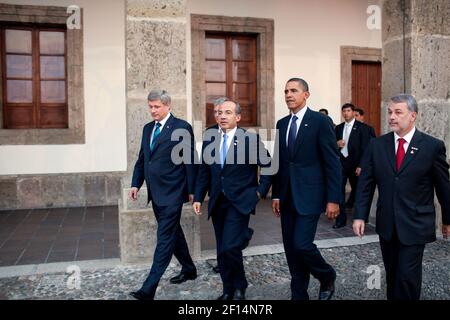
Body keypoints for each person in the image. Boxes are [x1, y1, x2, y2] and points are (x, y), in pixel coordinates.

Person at [353, 94, 450, 300]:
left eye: (398, 112)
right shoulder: (377, 145)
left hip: (416, 223)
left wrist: (448, 219)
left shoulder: (432, 146)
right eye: (389, 112)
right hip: (387, 224)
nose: (392, 117)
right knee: (393, 274)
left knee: (407, 276)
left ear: (413, 115)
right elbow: (365, 184)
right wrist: (360, 216)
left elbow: (444, 187)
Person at [193, 99, 272, 300]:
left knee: (230, 247)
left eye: (227, 112)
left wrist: (259, 192)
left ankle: (240, 287)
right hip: (218, 201)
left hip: (240, 201)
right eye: (219, 112)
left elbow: (269, 165)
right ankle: (228, 289)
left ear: (237, 117)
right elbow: (204, 170)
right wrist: (199, 197)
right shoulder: (210, 138)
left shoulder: (250, 140)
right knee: (222, 250)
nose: (222, 116)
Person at [272, 78, 342, 300]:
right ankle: (299, 294)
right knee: (291, 249)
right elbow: (280, 162)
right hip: (286, 196)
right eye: (286, 91)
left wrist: (334, 199)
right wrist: (275, 194)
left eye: (294, 90)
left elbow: (332, 162)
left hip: (311, 195)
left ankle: (326, 275)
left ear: (306, 95)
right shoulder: (282, 124)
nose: (289, 95)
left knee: (302, 245)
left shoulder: (320, 121)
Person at [129, 90, 198, 300]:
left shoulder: (182, 127)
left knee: (165, 238)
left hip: (173, 192)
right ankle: (189, 269)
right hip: (155, 193)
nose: (152, 111)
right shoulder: (147, 128)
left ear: (168, 105)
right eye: (150, 107)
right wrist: (135, 183)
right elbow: (144, 159)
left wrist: (192, 190)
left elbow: (190, 161)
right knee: (173, 232)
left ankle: (149, 287)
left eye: (156, 106)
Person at [333, 103, 371, 228]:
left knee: (359, 192)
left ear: (353, 112)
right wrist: (336, 144)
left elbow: (366, 149)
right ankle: (340, 220)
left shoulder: (363, 128)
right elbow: (331, 146)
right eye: (344, 111)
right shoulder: (338, 128)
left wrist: (361, 165)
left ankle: (361, 218)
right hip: (341, 163)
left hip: (356, 165)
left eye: (348, 110)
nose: (346, 113)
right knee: (339, 191)